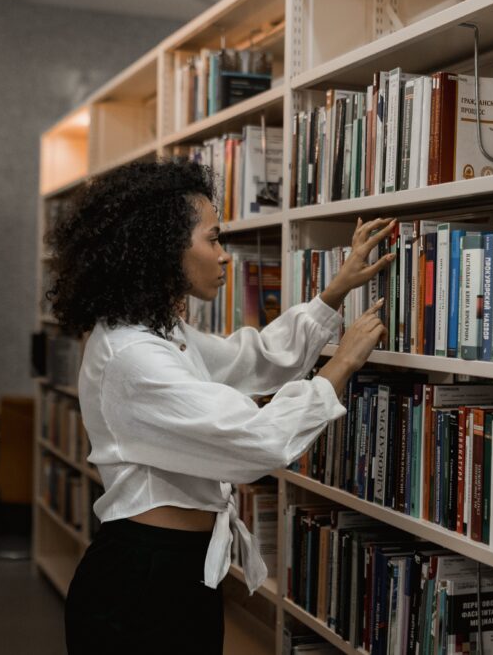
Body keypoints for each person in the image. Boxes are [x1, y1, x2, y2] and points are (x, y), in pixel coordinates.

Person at [50, 160, 395, 654]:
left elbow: (247, 360)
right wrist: (339, 367)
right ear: (163, 250)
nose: (224, 256)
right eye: (213, 239)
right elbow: (255, 443)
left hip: (179, 569)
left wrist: (333, 294)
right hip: (144, 580)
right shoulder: (132, 355)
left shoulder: (155, 335)